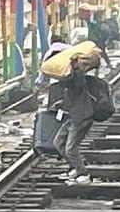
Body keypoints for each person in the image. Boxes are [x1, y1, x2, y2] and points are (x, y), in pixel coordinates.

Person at [45, 38, 105, 184]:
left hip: (82, 116)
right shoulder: (70, 78)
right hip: (73, 116)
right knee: (58, 142)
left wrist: (73, 66)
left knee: (70, 148)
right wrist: (60, 105)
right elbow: (69, 95)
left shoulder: (77, 77)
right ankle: (75, 168)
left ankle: (83, 173)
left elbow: (74, 85)